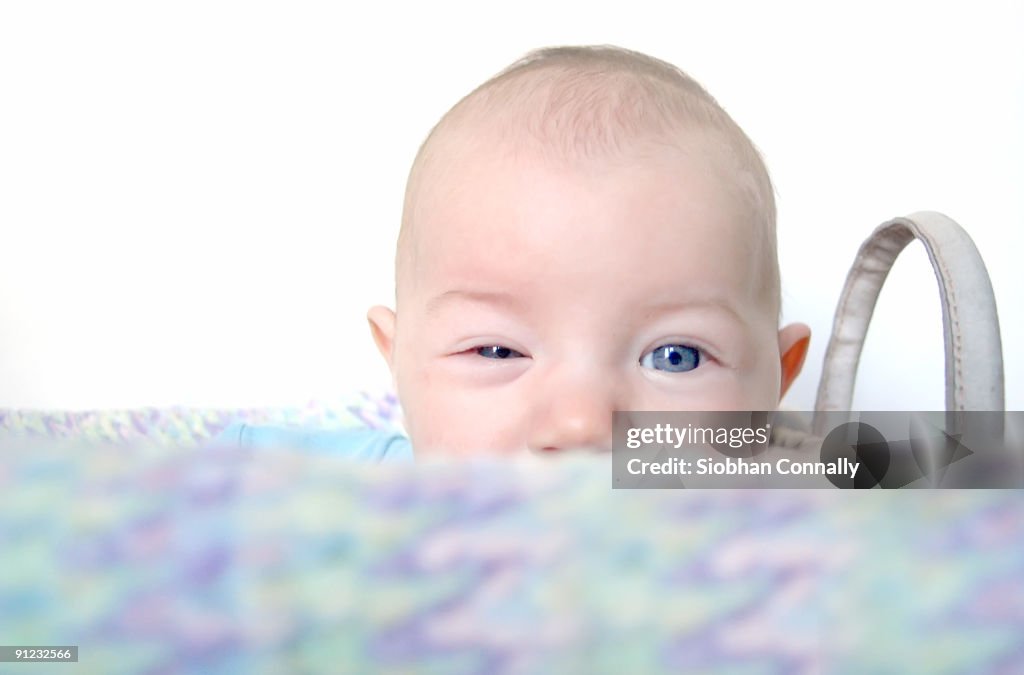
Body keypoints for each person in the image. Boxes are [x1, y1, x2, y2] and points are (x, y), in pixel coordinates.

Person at [221, 45, 811, 459]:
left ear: (776, 383)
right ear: (396, 359)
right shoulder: (319, 498)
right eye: (498, 350)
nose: (583, 425)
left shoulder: (766, 560)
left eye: (676, 357)